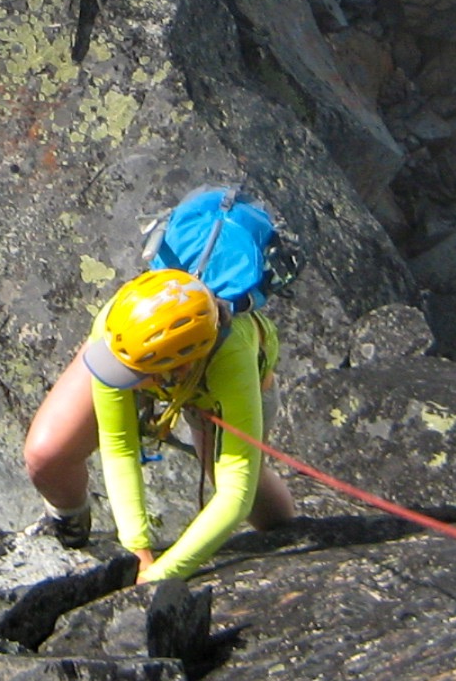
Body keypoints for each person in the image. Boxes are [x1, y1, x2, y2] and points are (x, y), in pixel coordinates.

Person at [21, 190, 295, 580]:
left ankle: (288, 536)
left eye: (135, 375)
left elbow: (235, 493)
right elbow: (119, 446)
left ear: (176, 369)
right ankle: (70, 525)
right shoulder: (120, 327)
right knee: (45, 454)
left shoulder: (233, 360)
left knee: (227, 476)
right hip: (172, 360)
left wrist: (161, 575)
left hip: (214, 383)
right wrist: (138, 551)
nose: (125, 380)